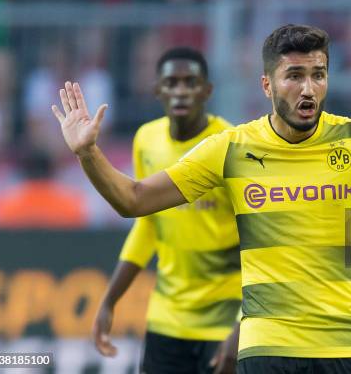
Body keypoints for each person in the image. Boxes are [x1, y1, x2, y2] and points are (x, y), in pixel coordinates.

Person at [52, 24, 351, 374]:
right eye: (294, 75)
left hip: (350, 346)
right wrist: (88, 152)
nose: (308, 88)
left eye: (318, 75)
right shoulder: (232, 148)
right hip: (269, 347)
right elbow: (132, 200)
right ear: (267, 85)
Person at [91, 47, 241, 374]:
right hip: (167, 321)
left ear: (207, 90)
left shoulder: (233, 145)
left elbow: (258, 241)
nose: (181, 91)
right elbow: (147, 226)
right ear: (157, 89)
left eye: (191, 82)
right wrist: (109, 299)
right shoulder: (147, 140)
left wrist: (244, 327)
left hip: (225, 322)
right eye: (172, 82)